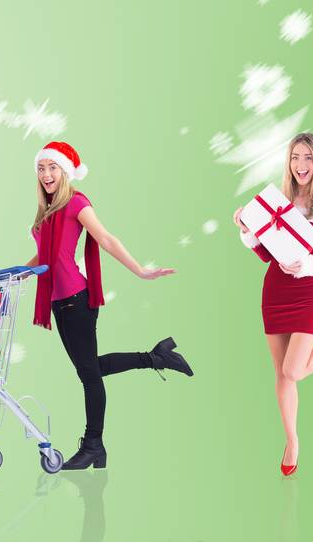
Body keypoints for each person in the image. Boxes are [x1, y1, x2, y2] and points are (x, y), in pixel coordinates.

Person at [24, 141, 192, 471]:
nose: (46, 174)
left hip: (77, 299)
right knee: (91, 369)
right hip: (59, 302)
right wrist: (14, 275)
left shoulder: (76, 202)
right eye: (41, 168)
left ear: (65, 171)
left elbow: (106, 238)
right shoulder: (46, 212)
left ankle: (93, 445)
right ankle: (157, 357)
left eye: (52, 167)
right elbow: (45, 258)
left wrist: (141, 271)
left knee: (89, 375)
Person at [232, 132, 313, 476]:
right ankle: (292, 440)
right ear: (289, 162)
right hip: (275, 292)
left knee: (293, 370)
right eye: (295, 157)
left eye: (308, 158)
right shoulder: (278, 201)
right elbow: (266, 255)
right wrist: (247, 229)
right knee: (282, 375)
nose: (301, 165)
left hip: (310, 291)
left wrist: (311, 265)